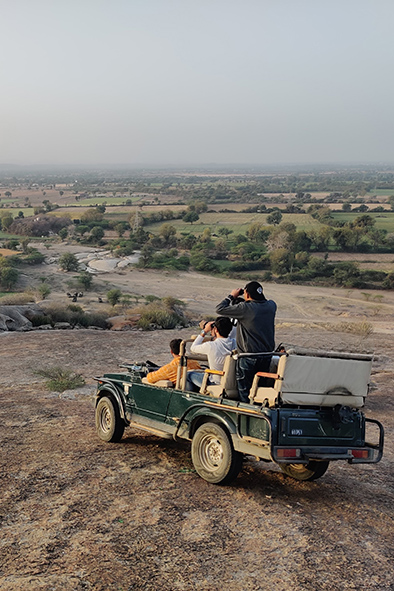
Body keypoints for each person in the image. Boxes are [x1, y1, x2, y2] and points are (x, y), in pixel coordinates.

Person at [216, 281, 276, 403]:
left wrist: (232, 296)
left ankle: (245, 415)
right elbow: (264, 301)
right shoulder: (271, 306)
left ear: (247, 294)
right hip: (266, 356)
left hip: (248, 357)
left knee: (245, 392)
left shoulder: (246, 308)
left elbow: (220, 309)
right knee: (259, 389)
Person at [186, 317, 236, 392]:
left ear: (216, 329)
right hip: (231, 382)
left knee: (188, 375)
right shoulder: (235, 343)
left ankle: (190, 398)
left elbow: (193, 348)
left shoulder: (211, 346)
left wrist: (205, 331)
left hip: (215, 381)